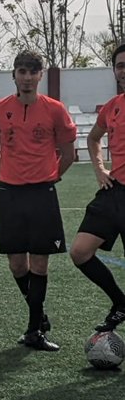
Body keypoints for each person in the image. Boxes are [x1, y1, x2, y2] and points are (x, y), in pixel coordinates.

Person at [0, 50, 77, 351]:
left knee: (39, 262)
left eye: (32, 72)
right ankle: (39, 315)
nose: (26, 77)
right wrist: (10, 172)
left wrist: (50, 177)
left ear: (40, 75)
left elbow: (68, 153)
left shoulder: (55, 110)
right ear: (13, 75)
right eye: (21, 71)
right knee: (16, 264)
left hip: (42, 193)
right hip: (10, 193)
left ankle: (34, 330)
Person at [70, 42, 125, 332]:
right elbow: (93, 139)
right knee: (80, 252)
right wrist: (99, 168)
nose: (124, 70)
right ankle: (120, 302)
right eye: (120, 65)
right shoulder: (112, 108)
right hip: (114, 191)